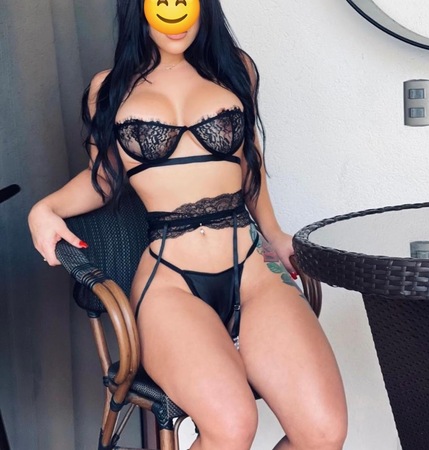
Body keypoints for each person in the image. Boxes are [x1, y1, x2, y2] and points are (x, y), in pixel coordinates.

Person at [28, 0, 347, 448]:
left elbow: (249, 161)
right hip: (170, 281)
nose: (175, 17)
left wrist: (274, 232)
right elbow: (104, 177)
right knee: (232, 427)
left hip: (253, 269)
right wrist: (44, 208)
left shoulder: (235, 70)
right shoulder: (110, 88)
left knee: (322, 433)